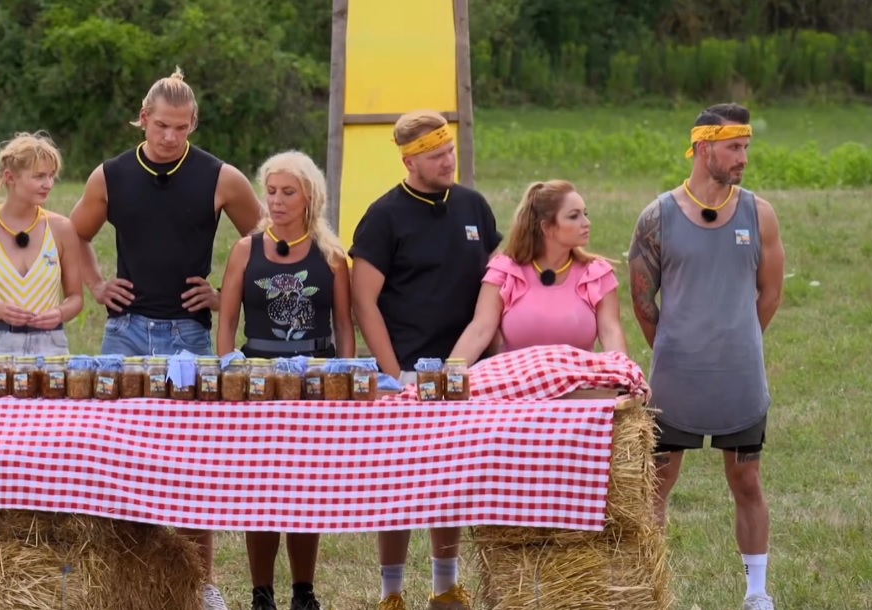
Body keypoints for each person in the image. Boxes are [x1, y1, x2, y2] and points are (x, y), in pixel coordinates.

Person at [68, 67, 263, 610]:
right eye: (161, 126)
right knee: (114, 455)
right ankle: (120, 580)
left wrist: (223, 296)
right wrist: (97, 285)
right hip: (125, 332)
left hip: (189, 335)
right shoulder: (110, 176)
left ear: (193, 123)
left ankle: (203, 583)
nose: (170, 137)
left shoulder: (222, 178)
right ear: (143, 118)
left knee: (193, 462)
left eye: (181, 127)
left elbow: (266, 244)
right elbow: (73, 234)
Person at [628, 103, 785, 610]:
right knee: (657, 484)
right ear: (702, 148)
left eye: (746, 147)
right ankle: (649, 590)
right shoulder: (657, 217)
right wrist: (678, 348)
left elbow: (771, 293)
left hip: (740, 380)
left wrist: (737, 340)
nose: (743, 158)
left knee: (747, 480)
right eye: (733, 147)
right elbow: (642, 301)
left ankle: (756, 592)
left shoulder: (760, 214)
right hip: (675, 382)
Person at [348, 109, 503, 610]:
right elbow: (363, 301)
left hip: (465, 374)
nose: (447, 162)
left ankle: (445, 586)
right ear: (409, 161)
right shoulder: (384, 216)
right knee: (397, 484)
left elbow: (497, 284)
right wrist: (394, 374)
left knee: (450, 481)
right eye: (436, 156)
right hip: (408, 373)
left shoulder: (474, 207)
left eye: (450, 151)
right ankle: (391, 593)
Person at [216, 150, 355, 610]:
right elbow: (227, 321)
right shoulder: (246, 249)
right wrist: (230, 372)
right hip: (258, 382)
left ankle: (303, 592)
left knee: (304, 490)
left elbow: (344, 326)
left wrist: (344, 378)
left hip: (314, 381)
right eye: (271, 191)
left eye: (287, 192)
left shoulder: (331, 256)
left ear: (309, 197)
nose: (276, 201)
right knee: (261, 492)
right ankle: (261, 594)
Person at [0, 132, 84, 394]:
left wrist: (59, 313)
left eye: (51, 176)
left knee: (51, 421)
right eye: (39, 176)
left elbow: (76, 297)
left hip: (51, 349)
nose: (48, 184)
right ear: (10, 178)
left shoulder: (62, 229)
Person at [448, 179, 627, 362]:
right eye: (574, 216)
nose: (586, 223)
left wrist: (625, 374)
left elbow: (611, 332)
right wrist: (449, 376)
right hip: (518, 378)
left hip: (579, 378)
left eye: (585, 214)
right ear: (547, 227)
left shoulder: (596, 274)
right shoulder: (505, 272)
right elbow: (479, 331)